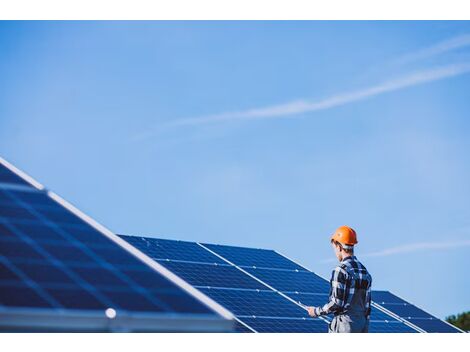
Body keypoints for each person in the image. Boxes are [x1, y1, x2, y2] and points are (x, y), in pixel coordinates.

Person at [307, 226, 372, 333]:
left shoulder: (340, 270)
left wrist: (316, 311)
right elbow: (367, 306)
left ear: (339, 247)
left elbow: (336, 303)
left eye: (334, 248)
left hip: (344, 325)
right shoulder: (365, 272)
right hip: (361, 324)